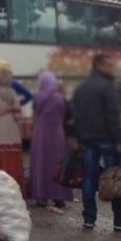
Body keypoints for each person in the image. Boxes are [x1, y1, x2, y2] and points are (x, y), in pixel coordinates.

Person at [72, 54, 121, 231]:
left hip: (87, 140)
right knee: (114, 178)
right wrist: (119, 141)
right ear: (100, 66)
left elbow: (76, 116)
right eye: (109, 65)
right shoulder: (107, 86)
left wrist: (78, 138)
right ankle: (120, 220)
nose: (112, 68)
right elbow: (112, 116)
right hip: (107, 140)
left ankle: (89, 218)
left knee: (89, 177)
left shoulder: (81, 88)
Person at [29, 71, 74, 210]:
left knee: (40, 162)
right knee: (58, 163)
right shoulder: (59, 97)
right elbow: (65, 115)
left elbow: (35, 112)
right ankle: (58, 197)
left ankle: (41, 196)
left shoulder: (38, 96)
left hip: (40, 134)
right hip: (56, 134)